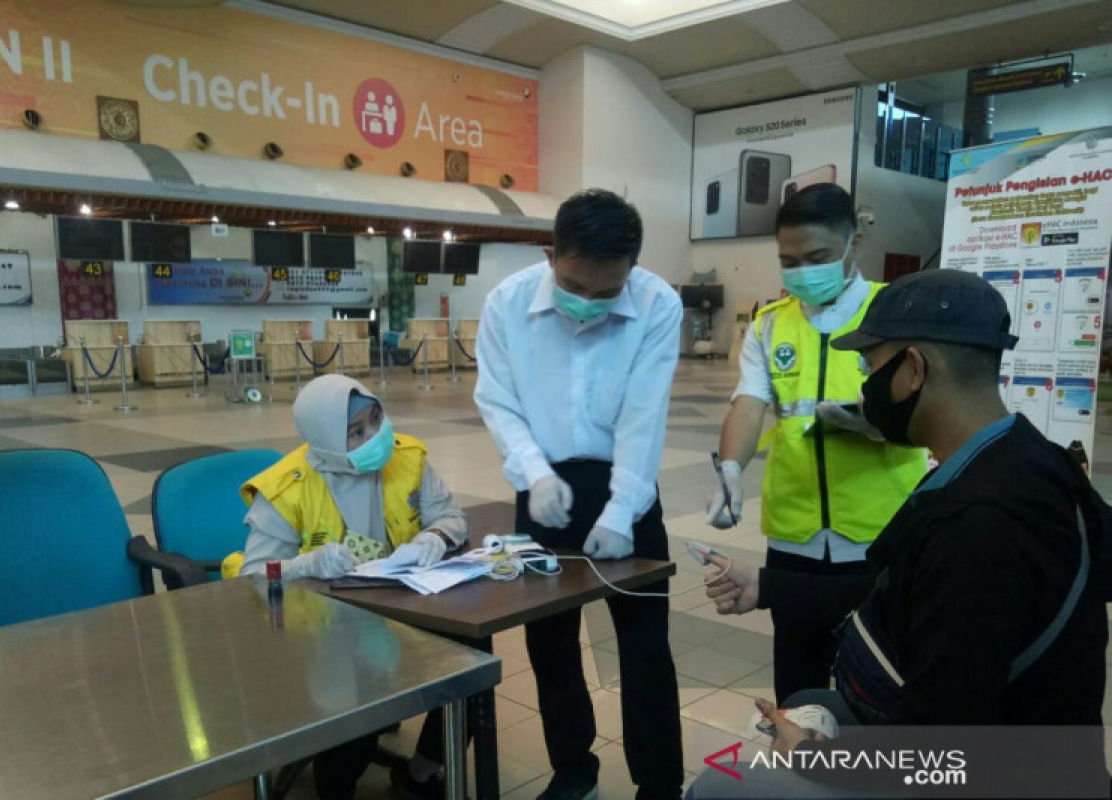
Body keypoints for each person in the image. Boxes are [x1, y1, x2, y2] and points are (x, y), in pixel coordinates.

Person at [691, 269, 1108, 797]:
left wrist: (815, 756)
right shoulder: (1020, 459)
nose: (867, 386)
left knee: (716, 786)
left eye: (871, 366)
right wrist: (767, 586)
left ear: (912, 369)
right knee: (806, 696)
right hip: (1005, 749)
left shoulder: (980, 528)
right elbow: (906, 588)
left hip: (998, 776)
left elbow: (945, 756)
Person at [474, 189, 684, 800]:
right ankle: (574, 771)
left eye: (606, 291)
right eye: (576, 285)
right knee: (551, 645)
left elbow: (645, 417)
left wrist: (622, 510)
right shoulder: (507, 305)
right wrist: (533, 474)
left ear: (633, 268)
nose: (589, 303)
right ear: (550, 254)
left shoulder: (656, 303)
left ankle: (660, 784)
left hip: (629, 492)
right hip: (543, 496)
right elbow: (497, 400)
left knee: (645, 649)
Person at [706, 183, 926, 704]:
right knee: (798, 687)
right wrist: (731, 472)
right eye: (789, 260)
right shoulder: (768, 324)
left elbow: (925, 410)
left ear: (854, 245)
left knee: (879, 683)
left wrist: (878, 425)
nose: (803, 270)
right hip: (795, 535)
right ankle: (803, 776)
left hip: (880, 533)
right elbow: (749, 402)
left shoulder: (891, 312)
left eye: (818, 257)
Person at [230, 374, 470, 800]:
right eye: (357, 432)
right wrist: (306, 564)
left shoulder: (406, 457)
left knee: (473, 657)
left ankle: (424, 768)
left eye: (376, 420)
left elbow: (450, 516)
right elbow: (252, 577)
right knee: (351, 709)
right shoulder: (288, 487)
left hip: (401, 606)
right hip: (320, 627)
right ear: (324, 442)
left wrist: (437, 536)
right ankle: (338, 783)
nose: (375, 436)